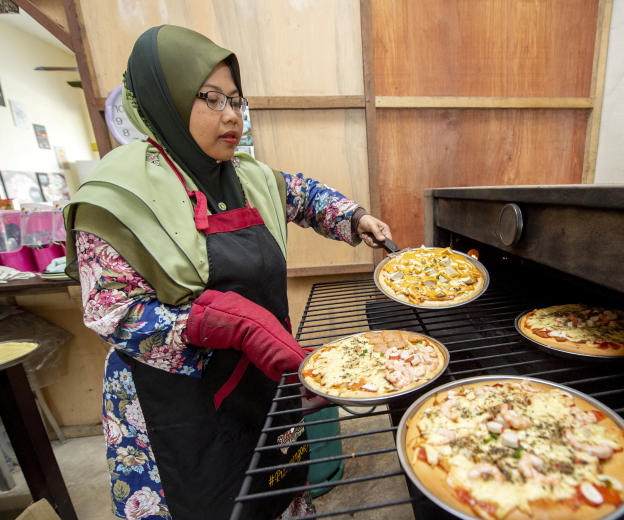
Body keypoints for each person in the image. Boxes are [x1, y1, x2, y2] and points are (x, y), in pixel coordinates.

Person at [63, 24, 391, 520]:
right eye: (211, 99)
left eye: (236, 101)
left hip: (259, 378)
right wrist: (224, 321)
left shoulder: (246, 175)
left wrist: (355, 218)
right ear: (164, 99)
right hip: (174, 403)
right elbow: (116, 314)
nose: (231, 116)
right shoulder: (117, 195)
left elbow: (301, 193)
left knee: (273, 489)